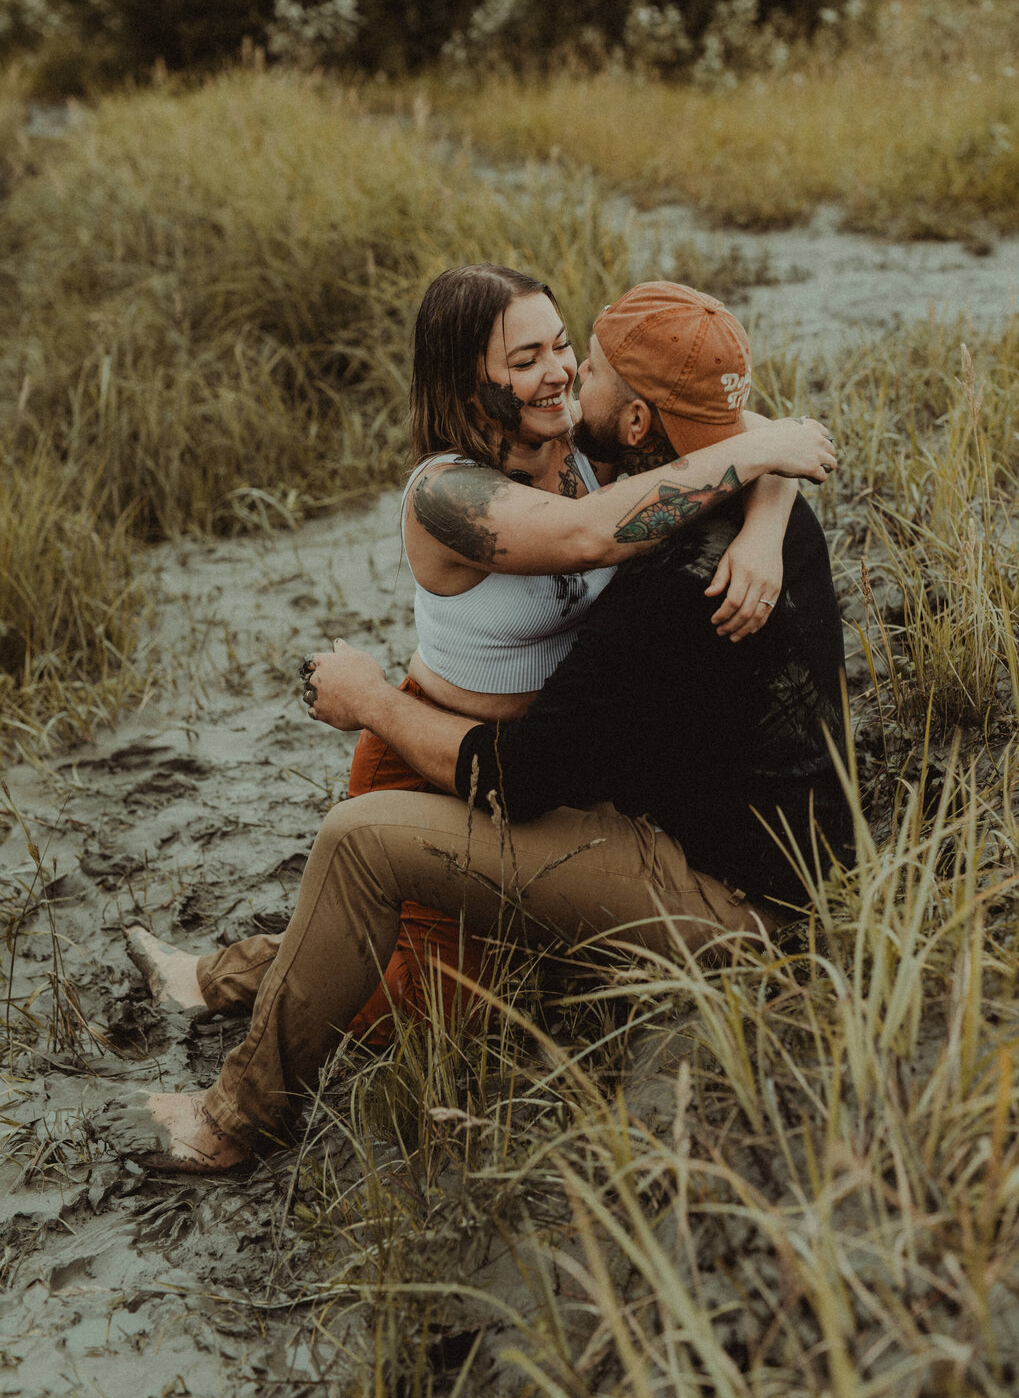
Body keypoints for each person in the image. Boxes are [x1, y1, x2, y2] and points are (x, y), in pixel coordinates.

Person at [122, 280, 847, 1172]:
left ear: (634, 425)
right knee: (388, 926)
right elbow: (628, 499)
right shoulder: (463, 492)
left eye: (575, 356)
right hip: (432, 753)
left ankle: (225, 1029)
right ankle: (228, 1057)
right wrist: (769, 481)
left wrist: (767, 507)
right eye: (532, 357)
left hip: (546, 784)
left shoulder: (646, 517)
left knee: (411, 988)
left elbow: (726, 429)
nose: (567, 374)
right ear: (470, 387)